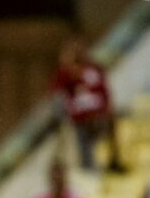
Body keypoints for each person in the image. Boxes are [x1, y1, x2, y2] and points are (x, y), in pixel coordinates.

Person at [52, 39, 123, 172]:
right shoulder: (65, 74)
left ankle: (114, 160)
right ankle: (88, 165)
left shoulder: (95, 69)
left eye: (81, 49)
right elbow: (58, 95)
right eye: (75, 51)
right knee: (84, 128)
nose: (79, 53)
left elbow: (106, 93)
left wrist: (108, 109)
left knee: (111, 120)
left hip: (98, 115)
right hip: (80, 117)